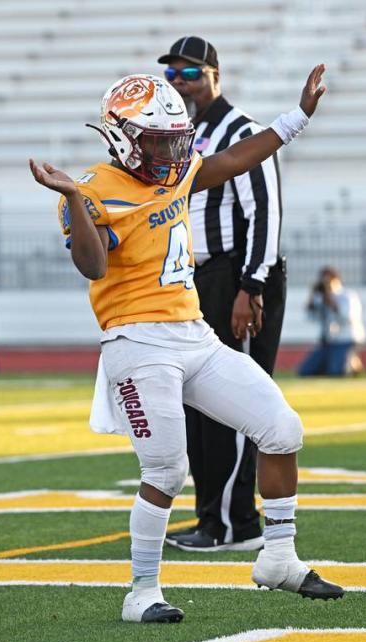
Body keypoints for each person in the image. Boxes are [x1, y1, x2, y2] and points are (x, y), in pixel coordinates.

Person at [29, 66, 343, 623]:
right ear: (124, 138)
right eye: (161, 140)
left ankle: (278, 557)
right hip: (136, 342)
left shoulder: (172, 171)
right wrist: (75, 198)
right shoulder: (95, 190)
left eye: (179, 138)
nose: (175, 150)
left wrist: (298, 118)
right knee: (167, 470)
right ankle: (141, 592)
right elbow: (92, 265)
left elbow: (232, 160)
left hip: (195, 335)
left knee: (282, 428)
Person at [154, 36, 284, 553]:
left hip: (237, 275)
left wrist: (251, 284)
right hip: (197, 276)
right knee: (197, 403)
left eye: (188, 74)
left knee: (233, 398)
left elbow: (265, 211)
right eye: (171, 75)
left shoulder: (240, 130)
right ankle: (211, 516)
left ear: (214, 74)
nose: (179, 83)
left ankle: (235, 522)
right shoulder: (184, 133)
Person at [298, 267, 365, 376]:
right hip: (328, 342)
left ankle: (353, 364)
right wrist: (312, 295)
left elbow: (348, 318)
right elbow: (310, 317)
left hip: (346, 340)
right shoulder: (321, 298)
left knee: (337, 372)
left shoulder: (347, 296)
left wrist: (331, 302)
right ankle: (330, 364)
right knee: (305, 371)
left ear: (337, 279)